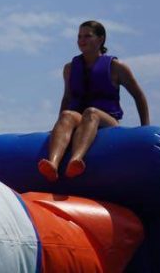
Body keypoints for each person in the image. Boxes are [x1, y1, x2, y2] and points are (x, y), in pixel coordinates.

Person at [37, 20, 150, 182]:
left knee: (91, 112)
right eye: (79, 37)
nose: (82, 40)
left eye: (87, 36)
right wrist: (58, 124)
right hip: (79, 118)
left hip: (107, 120)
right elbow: (67, 98)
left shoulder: (116, 67)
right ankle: (53, 164)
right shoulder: (70, 68)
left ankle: (76, 160)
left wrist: (145, 128)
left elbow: (138, 96)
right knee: (68, 114)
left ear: (100, 39)